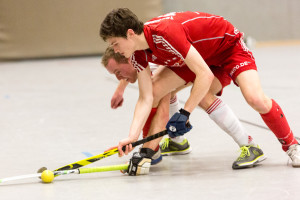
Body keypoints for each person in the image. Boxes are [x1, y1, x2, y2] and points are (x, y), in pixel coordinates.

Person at [100, 9, 299, 174]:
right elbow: (146, 98)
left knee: (255, 99)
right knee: (157, 90)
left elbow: (205, 74)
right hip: (198, 55)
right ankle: (149, 152)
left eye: (115, 44)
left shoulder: (165, 34)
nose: (115, 50)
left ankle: (292, 146)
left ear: (130, 34)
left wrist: (184, 113)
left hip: (227, 48)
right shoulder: (138, 54)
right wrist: (132, 138)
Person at [101, 47, 266, 171]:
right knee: (161, 92)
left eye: (117, 72)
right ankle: (178, 143)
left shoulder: (151, 65)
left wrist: (147, 154)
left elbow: (163, 113)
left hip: (216, 61)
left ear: (128, 58)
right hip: (197, 62)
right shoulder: (134, 55)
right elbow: (128, 70)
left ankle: (250, 144)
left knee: (201, 97)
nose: (118, 78)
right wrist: (120, 89)